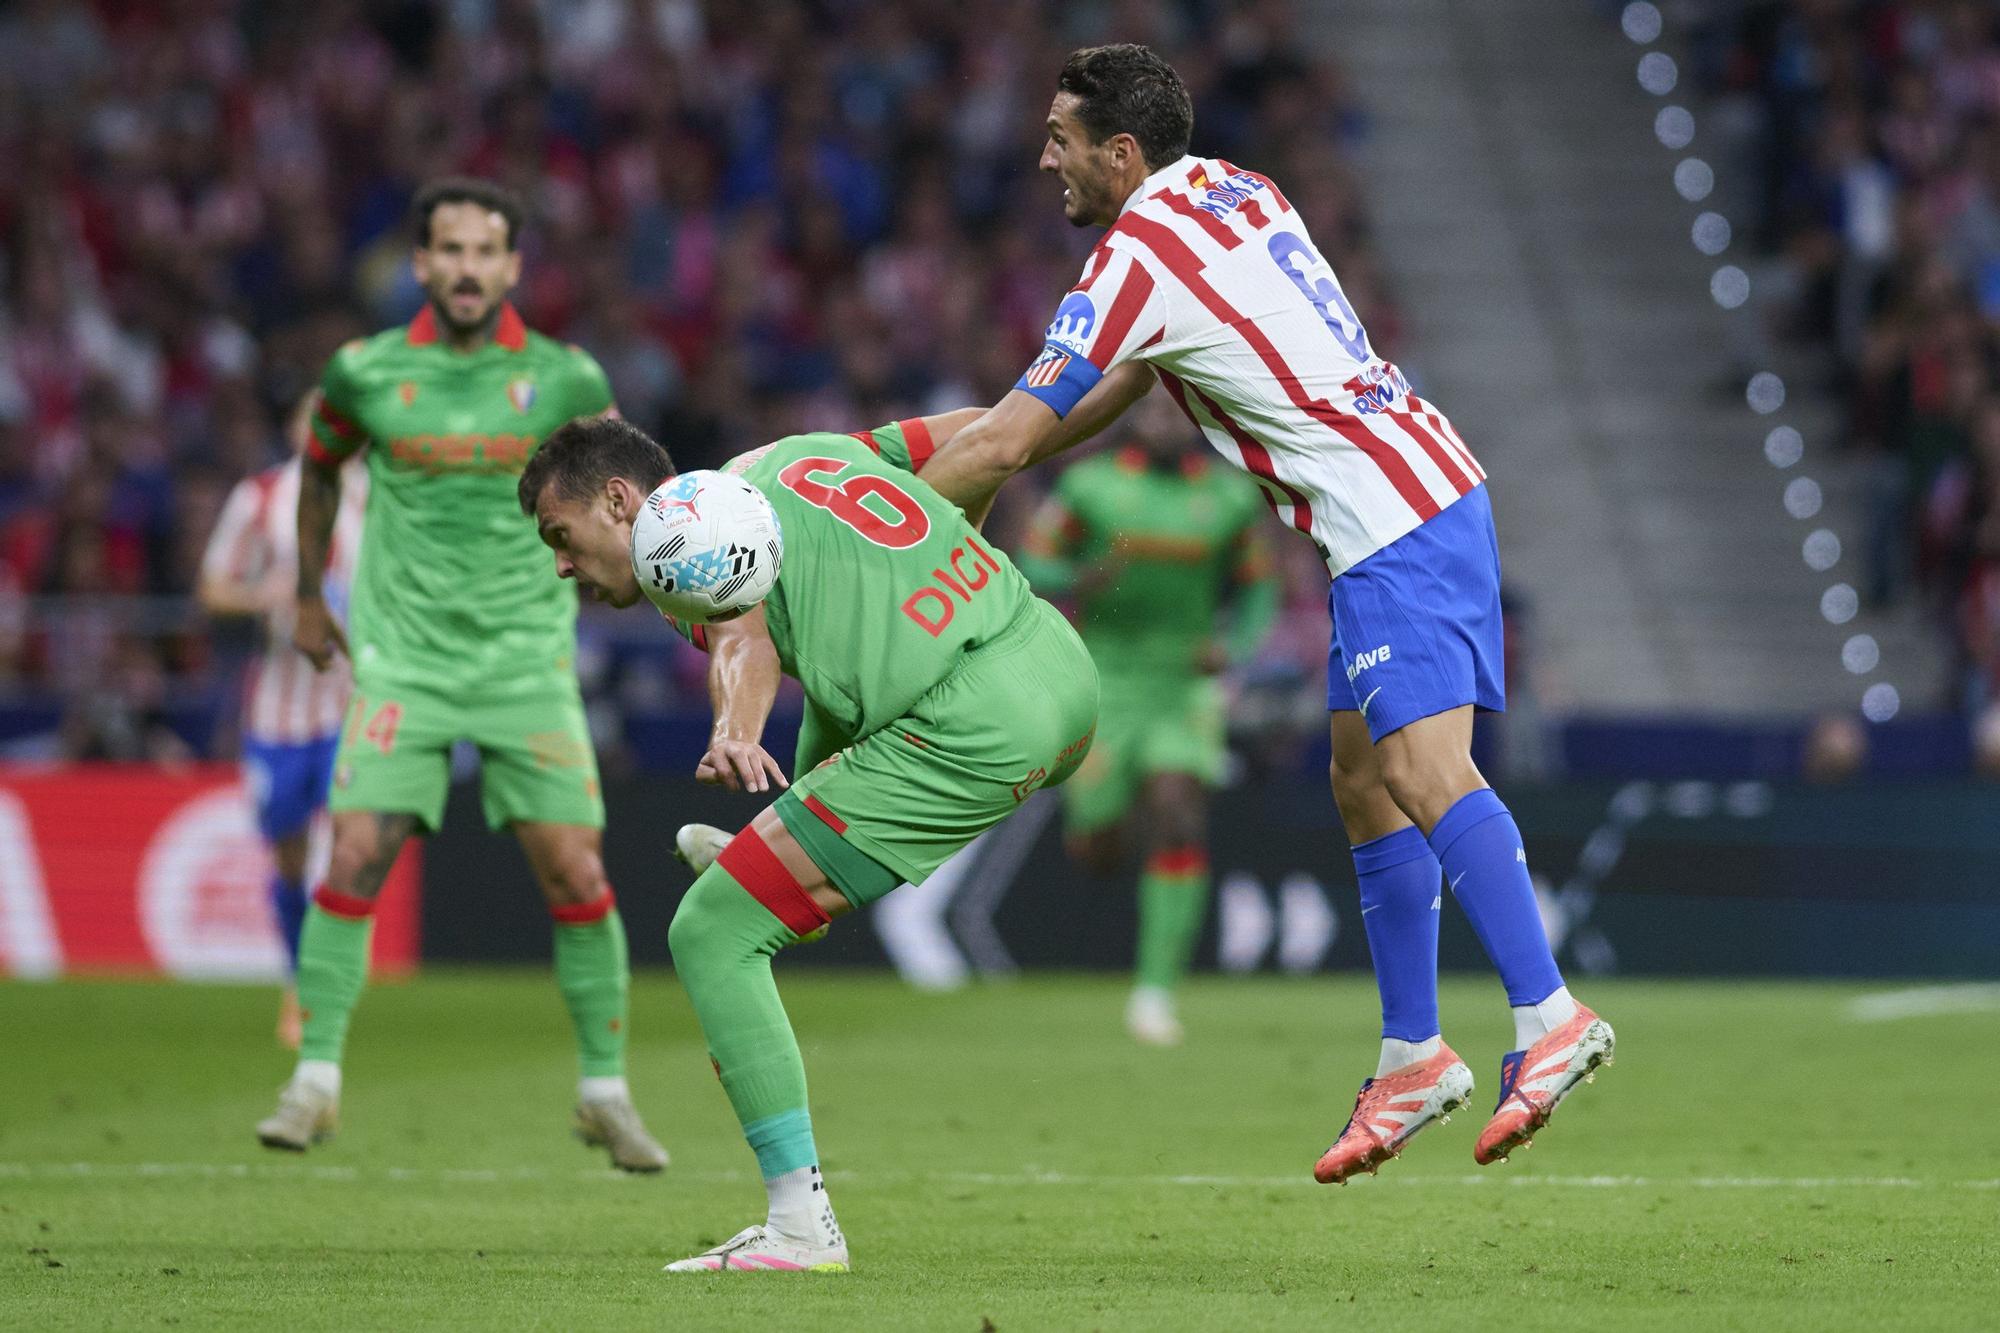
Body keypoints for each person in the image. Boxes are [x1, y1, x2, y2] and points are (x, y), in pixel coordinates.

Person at [918, 44, 1614, 1180]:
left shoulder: (1131, 255)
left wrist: (873, 519)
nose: (1044, 157)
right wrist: (1023, 433)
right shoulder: (1236, 187)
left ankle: (1549, 1018)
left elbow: (1006, 437)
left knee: (1429, 770)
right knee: (1361, 778)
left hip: (1391, 521)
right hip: (1406, 500)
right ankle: (1409, 1056)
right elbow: (1130, 380)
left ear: (1121, 151)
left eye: (1061, 138)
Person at [517, 411, 1099, 1274]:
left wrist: (735, 728)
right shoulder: (800, 454)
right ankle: (785, 882)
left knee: (712, 931)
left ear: (618, 499)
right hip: (1056, 668)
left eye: (560, 536)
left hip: (967, 720)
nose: (562, 564)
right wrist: (1131, 370)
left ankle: (799, 1226)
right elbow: (999, 433)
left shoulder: (682, 544)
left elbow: (741, 638)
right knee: (833, 696)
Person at [253, 178, 667, 1172]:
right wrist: (310, 595)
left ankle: (604, 1092)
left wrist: (641, 575)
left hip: (526, 659)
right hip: (405, 663)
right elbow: (316, 469)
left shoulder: (565, 377)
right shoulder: (364, 373)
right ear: (422, 263)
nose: (469, 268)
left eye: (488, 251)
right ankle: (313, 1079)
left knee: (575, 870)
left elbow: (624, 483)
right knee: (350, 851)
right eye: (450, 250)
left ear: (513, 266)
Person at [1016, 389, 1278, 1045]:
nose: (1163, 417)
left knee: (1177, 808)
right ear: (1130, 413)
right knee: (1100, 848)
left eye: (1174, 407)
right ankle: (1098, 827)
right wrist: (1079, 576)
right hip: (1103, 680)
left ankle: (1155, 992)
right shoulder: (1089, 486)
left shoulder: (1228, 498)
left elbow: (1259, 584)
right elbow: (1030, 561)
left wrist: (1238, 645)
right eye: (1152, 406)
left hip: (1184, 682)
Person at [198, 393, 366, 1048]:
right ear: (296, 427)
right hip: (278, 707)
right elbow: (213, 586)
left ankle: (330, 977)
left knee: (355, 841)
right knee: (290, 854)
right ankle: (300, 977)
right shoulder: (260, 496)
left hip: (354, 702)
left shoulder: (377, 496)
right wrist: (261, 596)